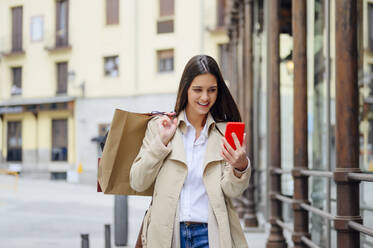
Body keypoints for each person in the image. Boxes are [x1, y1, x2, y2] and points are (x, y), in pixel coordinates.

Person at [130, 55, 251, 248]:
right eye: (198, 90)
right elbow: (138, 181)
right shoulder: (160, 127)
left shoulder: (225, 132)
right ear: (185, 89)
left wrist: (240, 167)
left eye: (212, 90)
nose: (205, 97)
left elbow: (232, 191)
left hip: (209, 235)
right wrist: (160, 143)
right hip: (166, 235)